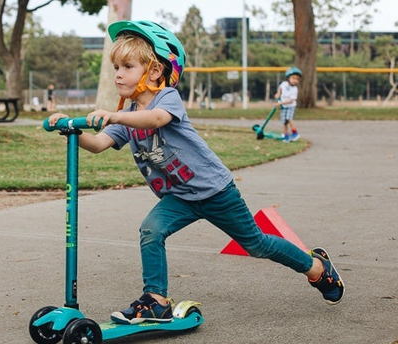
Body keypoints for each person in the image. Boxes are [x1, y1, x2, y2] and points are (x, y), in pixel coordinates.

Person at [48, 21, 345, 325]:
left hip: (216, 192)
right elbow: (98, 144)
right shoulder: (126, 118)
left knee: (256, 244)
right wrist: (71, 131)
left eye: (127, 65)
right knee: (151, 230)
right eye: (116, 67)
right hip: (179, 197)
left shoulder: (166, 100)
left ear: (154, 71)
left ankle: (316, 268)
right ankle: (156, 300)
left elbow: (155, 119)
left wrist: (114, 114)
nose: (118, 74)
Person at [274, 67, 302, 143]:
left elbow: (290, 101)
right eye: (293, 78)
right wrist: (278, 94)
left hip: (291, 106)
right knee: (284, 121)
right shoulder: (284, 84)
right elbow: (280, 88)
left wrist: (280, 103)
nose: (295, 80)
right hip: (284, 106)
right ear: (288, 78)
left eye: (297, 79)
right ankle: (286, 135)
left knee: (289, 118)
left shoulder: (295, 89)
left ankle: (295, 133)